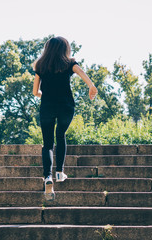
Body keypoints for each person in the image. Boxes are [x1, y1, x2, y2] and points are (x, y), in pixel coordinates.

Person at [33, 36, 98, 201]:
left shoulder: (40, 65)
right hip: (66, 107)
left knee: (47, 143)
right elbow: (83, 74)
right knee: (60, 135)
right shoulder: (69, 63)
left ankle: (47, 177)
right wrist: (91, 86)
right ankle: (60, 173)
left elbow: (35, 92)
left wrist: (44, 95)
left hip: (47, 107)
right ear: (65, 49)